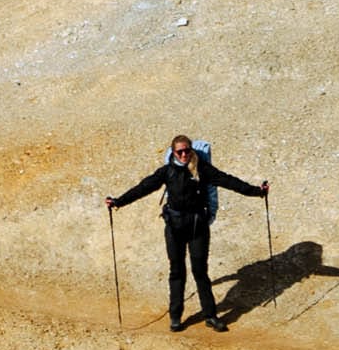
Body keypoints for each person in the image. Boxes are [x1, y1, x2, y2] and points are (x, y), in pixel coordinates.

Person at [107, 135, 268, 332]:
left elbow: (228, 181)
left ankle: (210, 316)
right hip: (174, 228)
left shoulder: (202, 169)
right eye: (179, 151)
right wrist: (118, 202)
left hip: (197, 227)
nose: (184, 154)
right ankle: (175, 317)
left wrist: (257, 191)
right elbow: (143, 187)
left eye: (187, 150)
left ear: (191, 150)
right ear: (173, 153)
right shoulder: (167, 172)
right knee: (177, 272)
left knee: (200, 271)